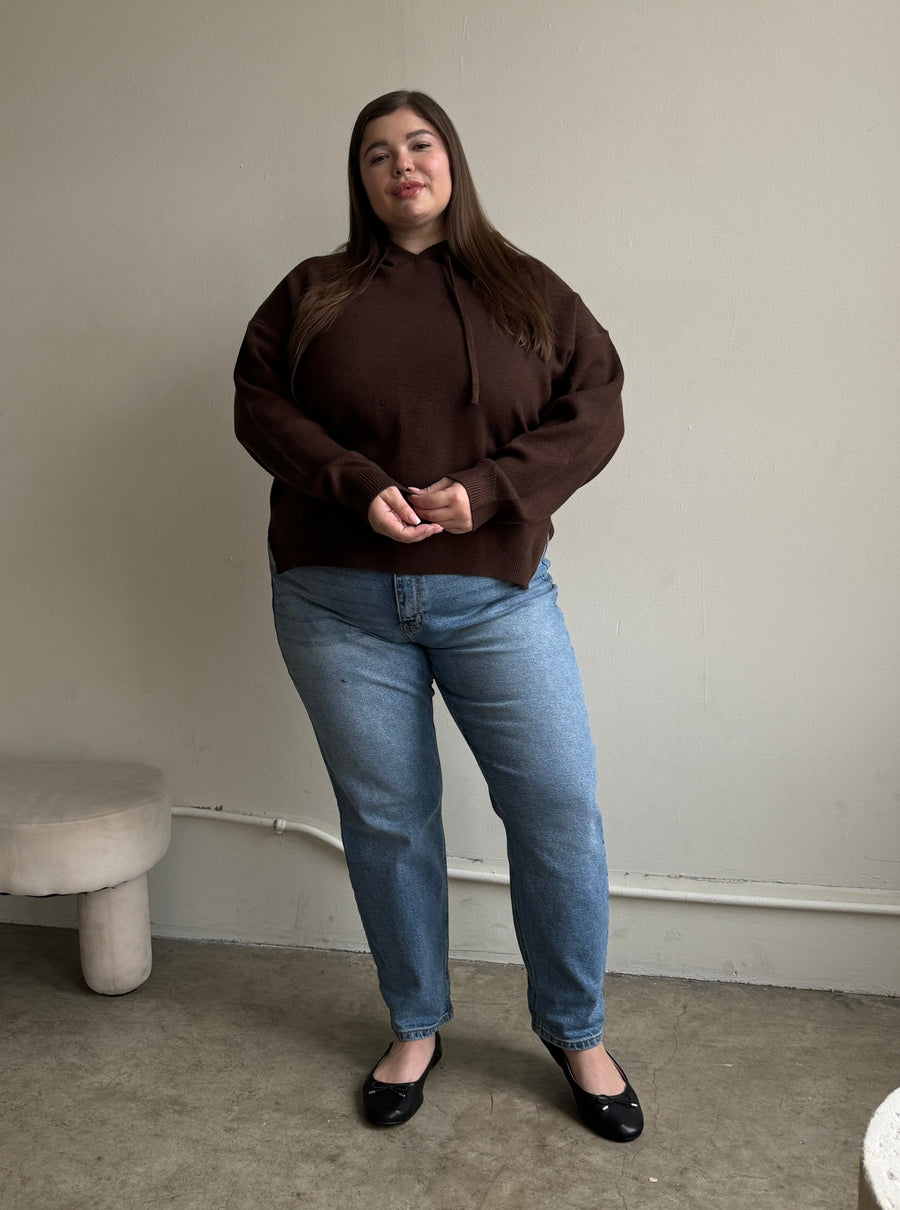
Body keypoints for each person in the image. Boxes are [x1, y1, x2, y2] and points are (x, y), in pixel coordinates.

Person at [234, 90, 643, 1142]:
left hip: (495, 595)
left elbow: (597, 402)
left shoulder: (527, 289)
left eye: (419, 145)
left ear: (452, 161)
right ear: (361, 180)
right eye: (377, 153)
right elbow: (258, 403)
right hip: (336, 599)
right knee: (388, 819)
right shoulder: (312, 292)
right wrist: (352, 482)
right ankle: (415, 1023)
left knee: (556, 808)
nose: (401, 164)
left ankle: (576, 1031)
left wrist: (493, 490)